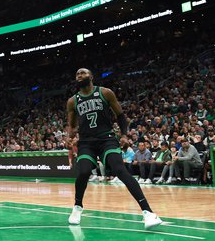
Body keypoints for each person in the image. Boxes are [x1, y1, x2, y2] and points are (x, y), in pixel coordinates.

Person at [67, 68, 162, 229]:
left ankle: (148, 212)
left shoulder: (105, 93)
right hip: (86, 142)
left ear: (91, 76)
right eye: (77, 74)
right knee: (83, 171)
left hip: (106, 139)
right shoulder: (72, 101)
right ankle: (77, 207)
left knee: (120, 170)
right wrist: (71, 136)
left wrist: (124, 135)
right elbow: (72, 125)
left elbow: (120, 115)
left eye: (82, 73)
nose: (79, 76)